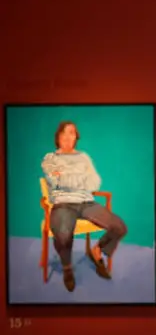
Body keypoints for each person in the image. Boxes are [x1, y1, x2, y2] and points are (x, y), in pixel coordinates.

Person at [41, 120, 128, 292]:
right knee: (64, 235)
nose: (67, 137)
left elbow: (95, 182)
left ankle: (97, 251)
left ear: (76, 137)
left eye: (71, 133)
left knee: (119, 227)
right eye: (63, 133)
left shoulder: (84, 157)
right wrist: (80, 177)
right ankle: (67, 268)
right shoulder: (50, 159)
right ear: (57, 137)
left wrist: (66, 176)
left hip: (86, 203)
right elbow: (56, 180)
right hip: (63, 204)